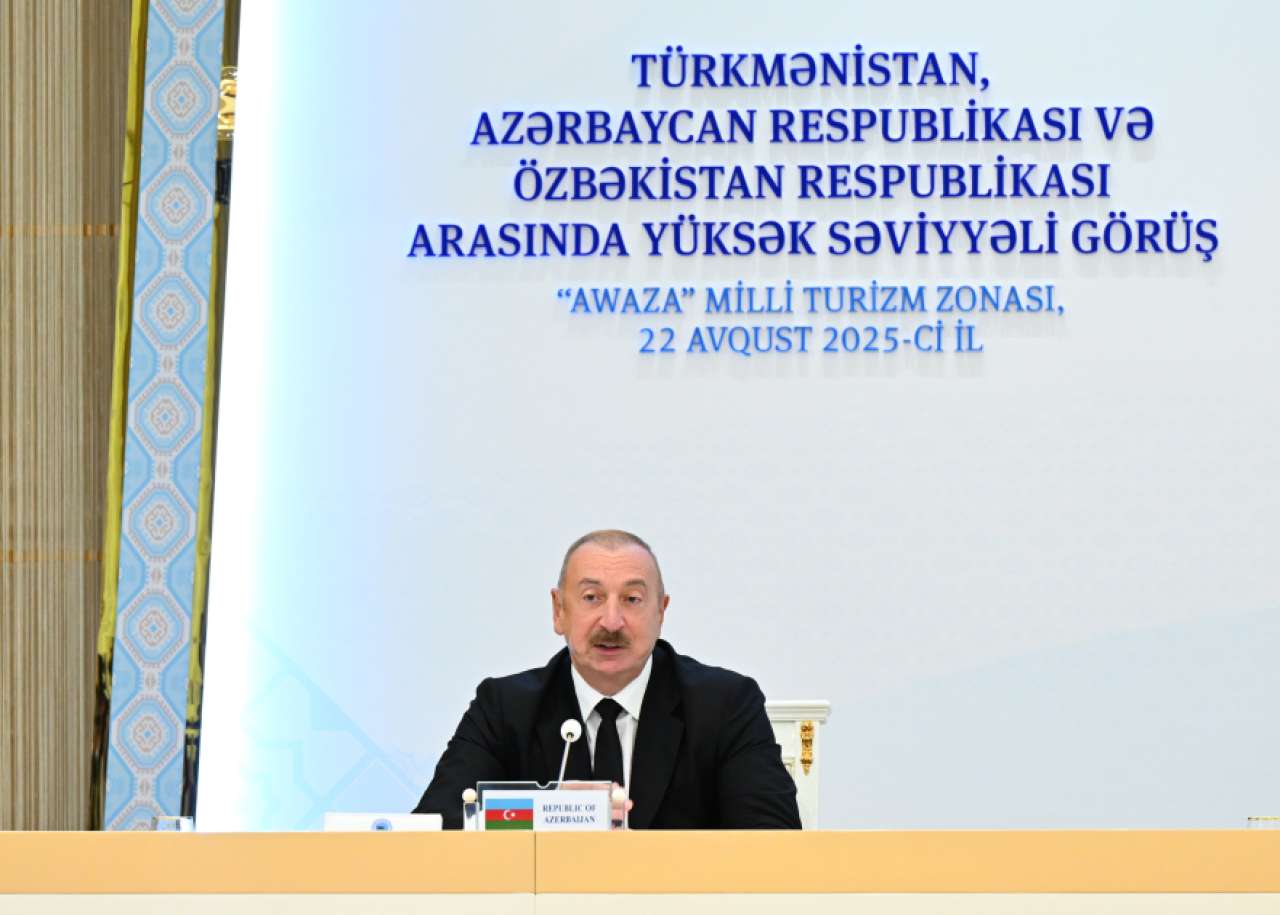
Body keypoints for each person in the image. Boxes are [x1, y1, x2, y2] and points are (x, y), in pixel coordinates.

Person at [413, 529, 801, 829]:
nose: (612, 622)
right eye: (591, 598)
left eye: (632, 600)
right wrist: (546, 814)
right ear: (559, 610)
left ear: (661, 612)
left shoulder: (725, 705)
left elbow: (775, 840)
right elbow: (436, 828)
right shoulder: (504, 707)